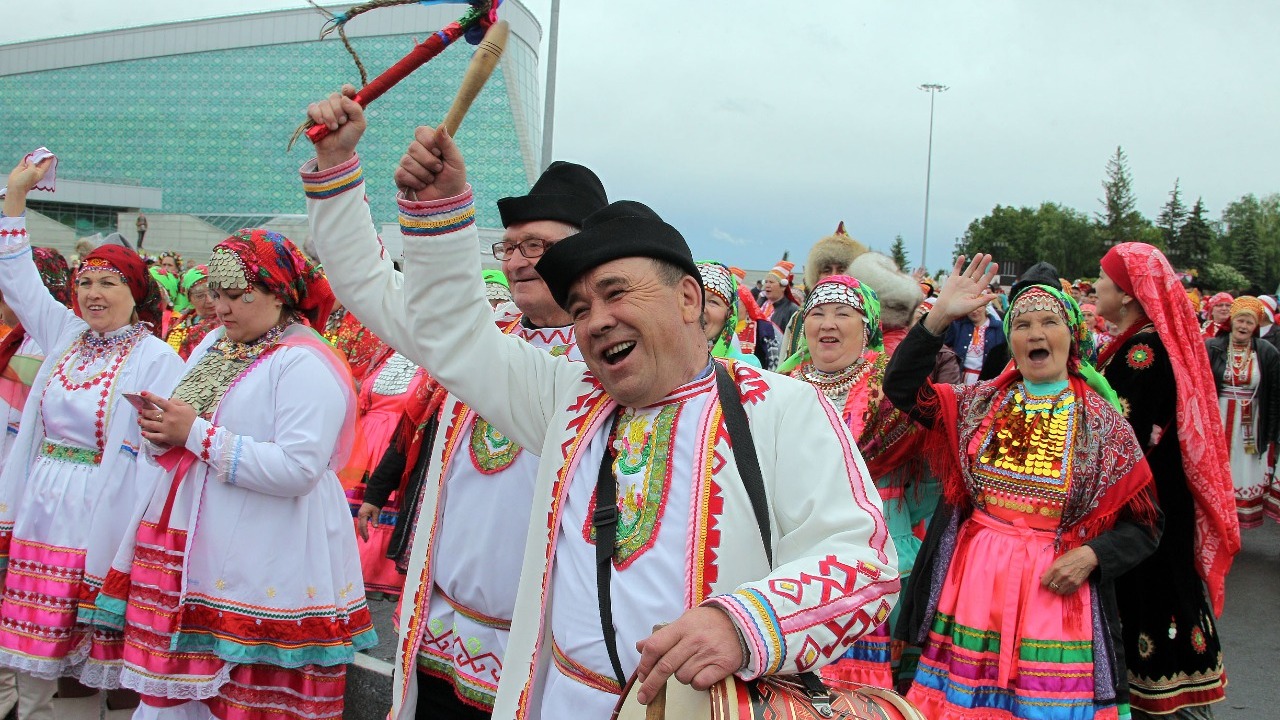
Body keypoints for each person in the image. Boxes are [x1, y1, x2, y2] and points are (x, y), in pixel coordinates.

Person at [312, 116, 899, 720]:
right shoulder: (569, 401)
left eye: (616, 293)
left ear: (689, 298)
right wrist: (438, 210)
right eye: (580, 307)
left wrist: (742, 624)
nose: (595, 321)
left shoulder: (780, 408)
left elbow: (864, 563)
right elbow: (451, 331)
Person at [302, 86, 609, 720]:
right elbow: (368, 285)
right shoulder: (473, 342)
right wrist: (336, 166)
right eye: (511, 246)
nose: (519, 262)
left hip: (545, 662)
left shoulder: (608, 375)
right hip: (438, 639)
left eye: (538, 246)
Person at [92, 228, 376, 720]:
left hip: (268, 547)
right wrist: (162, 430)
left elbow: (298, 468)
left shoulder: (304, 362)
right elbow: (184, 423)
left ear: (277, 293)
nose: (218, 308)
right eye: (215, 294)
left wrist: (196, 434)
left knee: (243, 694)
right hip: (197, 543)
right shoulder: (216, 346)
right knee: (180, 701)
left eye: (233, 295)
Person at [888, 254, 1161, 719]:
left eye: (1049, 322)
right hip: (973, 586)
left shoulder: (1104, 423)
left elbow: (1146, 525)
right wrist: (938, 319)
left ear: (1072, 336)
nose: (1035, 333)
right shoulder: (979, 405)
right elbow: (901, 387)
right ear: (1011, 341)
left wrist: (1092, 556)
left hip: (1056, 595)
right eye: (1022, 325)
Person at [0, 156, 185, 717]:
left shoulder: (156, 357)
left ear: (136, 290)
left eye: (109, 282)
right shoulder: (63, 332)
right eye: (85, 282)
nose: (93, 293)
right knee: (33, 650)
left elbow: (163, 449)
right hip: (42, 503)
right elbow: (17, 278)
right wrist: (15, 197)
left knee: (94, 651)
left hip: (105, 506)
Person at [1095, 243, 1239, 719]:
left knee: (1149, 595)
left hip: (1143, 504)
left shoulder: (1143, 352)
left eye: (1103, 278)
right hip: (1159, 498)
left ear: (1127, 294)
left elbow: (1121, 436)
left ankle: (1161, 700)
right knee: (1162, 590)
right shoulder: (1143, 342)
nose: (1096, 286)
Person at [781, 275, 930, 690]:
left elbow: (931, 480)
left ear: (868, 328)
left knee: (865, 693)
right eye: (817, 313)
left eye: (842, 314)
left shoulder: (893, 388)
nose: (828, 323)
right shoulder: (781, 387)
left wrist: (897, 517)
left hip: (881, 550)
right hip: (795, 555)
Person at [1206, 296, 1280, 530]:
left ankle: (1233, 526)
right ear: (1232, 321)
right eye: (1240, 320)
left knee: (1242, 467)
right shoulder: (1213, 347)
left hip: (1250, 425)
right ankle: (1212, 522)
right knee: (1213, 469)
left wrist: (1270, 432)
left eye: (1249, 322)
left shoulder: (1266, 352)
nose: (1243, 326)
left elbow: (1275, 394)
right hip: (1217, 418)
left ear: (1256, 326)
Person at [779, 222, 868, 360]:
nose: (834, 276)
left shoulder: (871, 318)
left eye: (842, 270)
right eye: (827, 270)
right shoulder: (798, 319)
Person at [696, 262, 761, 368]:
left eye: (713, 302)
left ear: (730, 313)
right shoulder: (667, 360)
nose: (701, 308)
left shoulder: (745, 367)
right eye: (692, 298)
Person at [164, 264, 221, 360]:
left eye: (214, 293)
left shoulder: (227, 325)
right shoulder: (179, 323)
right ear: (189, 299)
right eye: (200, 296)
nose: (210, 300)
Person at [942, 299, 1005, 385]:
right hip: (959, 379)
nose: (974, 311)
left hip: (986, 381)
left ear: (985, 305)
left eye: (978, 307)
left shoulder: (999, 328)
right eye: (970, 308)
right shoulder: (958, 326)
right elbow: (944, 346)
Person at [760, 258, 800, 330]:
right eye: (766, 282)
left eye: (771, 282)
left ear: (783, 287)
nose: (767, 285)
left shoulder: (792, 309)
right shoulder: (760, 303)